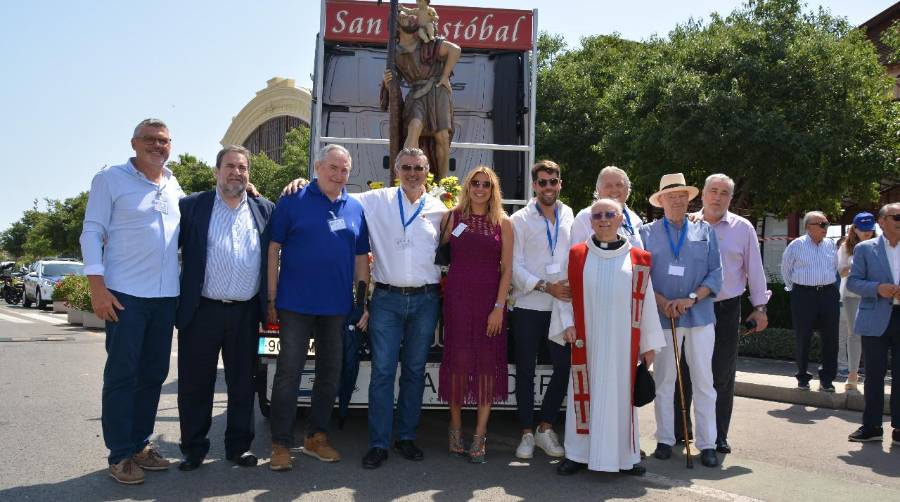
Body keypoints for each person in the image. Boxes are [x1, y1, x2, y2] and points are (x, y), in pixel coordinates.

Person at [80, 118, 184, 484]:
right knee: (123, 375)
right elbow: (92, 231)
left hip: (165, 296)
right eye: (152, 140)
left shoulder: (173, 183)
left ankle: (140, 443)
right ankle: (120, 453)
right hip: (125, 295)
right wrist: (97, 285)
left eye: (165, 140)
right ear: (135, 143)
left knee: (154, 374)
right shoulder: (110, 179)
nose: (159, 146)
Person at [267, 144, 370, 470]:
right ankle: (281, 444)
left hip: (336, 307)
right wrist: (270, 297)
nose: (338, 175)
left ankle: (316, 437)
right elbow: (273, 250)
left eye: (344, 170)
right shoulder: (291, 201)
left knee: (330, 374)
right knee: (289, 373)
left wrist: (362, 302)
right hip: (294, 304)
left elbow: (361, 259)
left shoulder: (354, 208)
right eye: (333, 168)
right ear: (317, 167)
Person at [174, 146, 274, 471]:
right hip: (201, 311)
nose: (236, 173)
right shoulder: (191, 206)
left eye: (242, 168)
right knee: (195, 385)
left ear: (249, 174)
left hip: (246, 313)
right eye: (230, 166)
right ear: (217, 171)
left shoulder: (264, 209)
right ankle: (193, 449)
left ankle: (239, 448)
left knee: (243, 384)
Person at [550, 198, 666, 476]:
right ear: (591, 221)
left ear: (619, 219)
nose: (603, 219)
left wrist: (648, 345)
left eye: (609, 214)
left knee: (620, 396)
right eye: (598, 215)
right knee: (582, 393)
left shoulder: (638, 259)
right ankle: (577, 455)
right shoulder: (578, 255)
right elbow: (565, 294)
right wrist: (567, 323)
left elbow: (646, 301)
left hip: (622, 343)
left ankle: (625, 457)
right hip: (586, 341)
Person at [358, 147, 448, 469]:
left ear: (427, 171)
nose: (412, 173)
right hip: (386, 299)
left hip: (425, 301)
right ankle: (379, 443)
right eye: (406, 167)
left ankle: (406, 437)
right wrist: (302, 183)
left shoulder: (440, 209)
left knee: (413, 371)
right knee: (382, 372)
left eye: (419, 168)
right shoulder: (377, 200)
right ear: (397, 170)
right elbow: (337, 196)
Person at [674, 174, 769, 454]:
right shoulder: (685, 224)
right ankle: (682, 431)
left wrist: (760, 307)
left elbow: (755, 270)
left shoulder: (743, 228)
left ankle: (717, 436)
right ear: (702, 195)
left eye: (724, 193)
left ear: (730, 198)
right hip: (689, 307)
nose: (718, 197)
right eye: (713, 191)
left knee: (722, 374)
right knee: (685, 370)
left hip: (726, 308)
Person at [640, 173, 723, 468]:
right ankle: (664, 439)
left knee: (704, 380)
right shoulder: (646, 233)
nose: (676, 201)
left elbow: (716, 273)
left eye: (681, 196)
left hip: (698, 314)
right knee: (664, 381)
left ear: (688, 199)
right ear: (660, 201)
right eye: (669, 197)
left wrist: (692, 299)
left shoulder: (705, 230)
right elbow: (641, 275)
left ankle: (708, 443)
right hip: (663, 317)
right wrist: (662, 302)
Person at [438, 166, 513, 463]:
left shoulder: (503, 223)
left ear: (493, 190)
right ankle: (455, 426)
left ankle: (480, 436)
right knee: (457, 362)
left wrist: (499, 307)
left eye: (486, 184)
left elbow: (507, 270)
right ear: (467, 187)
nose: (480, 188)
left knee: (486, 367)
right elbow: (440, 256)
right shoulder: (451, 218)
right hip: (457, 301)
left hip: (489, 303)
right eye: (475, 183)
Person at [509, 160, 573, 460]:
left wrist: (567, 286)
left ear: (559, 183)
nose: (549, 187)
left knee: (563, 367)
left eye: (554, 181)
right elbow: (513, 266)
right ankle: (525, 432)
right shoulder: (519, 219)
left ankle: (545, 427)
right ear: (534, 186)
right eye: (543, 182)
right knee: (526, 369)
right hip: (529, 305)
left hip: (561, 307)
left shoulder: (571, 214)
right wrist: (546, 286)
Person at [382, 9, 461, 179]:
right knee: (414, 127)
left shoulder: (429, 43)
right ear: (396, 26)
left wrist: (445, 76)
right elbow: (392, 83)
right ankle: (405, 177)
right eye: (403, 18)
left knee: (442, 136)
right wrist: (389, 84)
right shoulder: (394, 54)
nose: (410, 19)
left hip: (438, 91)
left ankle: (443, 182)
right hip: (416, 94)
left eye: (409, 17)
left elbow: (455, 50)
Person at [847, 202, 900, 444]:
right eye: (896, 216)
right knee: (874, 376)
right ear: (882, 221)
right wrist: (878, 288)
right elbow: (853, 283)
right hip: (874, 318)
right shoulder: (865, 249)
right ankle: (871, 427)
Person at [780, 211, 839, 392]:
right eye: (821, 224)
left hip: (828, 294)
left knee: (831, 338)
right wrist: (797, 290)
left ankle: (827, 379)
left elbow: (835, 267)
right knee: (802, 337)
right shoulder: (796, 245)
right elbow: (786, 270)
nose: (825, 228)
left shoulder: (830, 245)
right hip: (804, 295)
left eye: (826, 224)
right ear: (808, 227)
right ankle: (803, 376)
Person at [837, 212, 876, 392]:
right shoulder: (846, 247)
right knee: (854, 335)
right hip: (851, 295)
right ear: (855, 228)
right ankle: (853, 374)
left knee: (876, 335)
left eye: (870, 229)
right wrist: (858, 263)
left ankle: (873, 373)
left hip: (874, 294)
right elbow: (842, 272)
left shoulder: (880, 245)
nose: (867, 233)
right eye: (863, 229)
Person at [570, 166, 643, 249]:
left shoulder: (635, 219)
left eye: (619, 185)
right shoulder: (585, 217)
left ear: (628, 189)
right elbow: (575, 255)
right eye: (608, 186)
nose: (614, 189)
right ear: (598, 190)